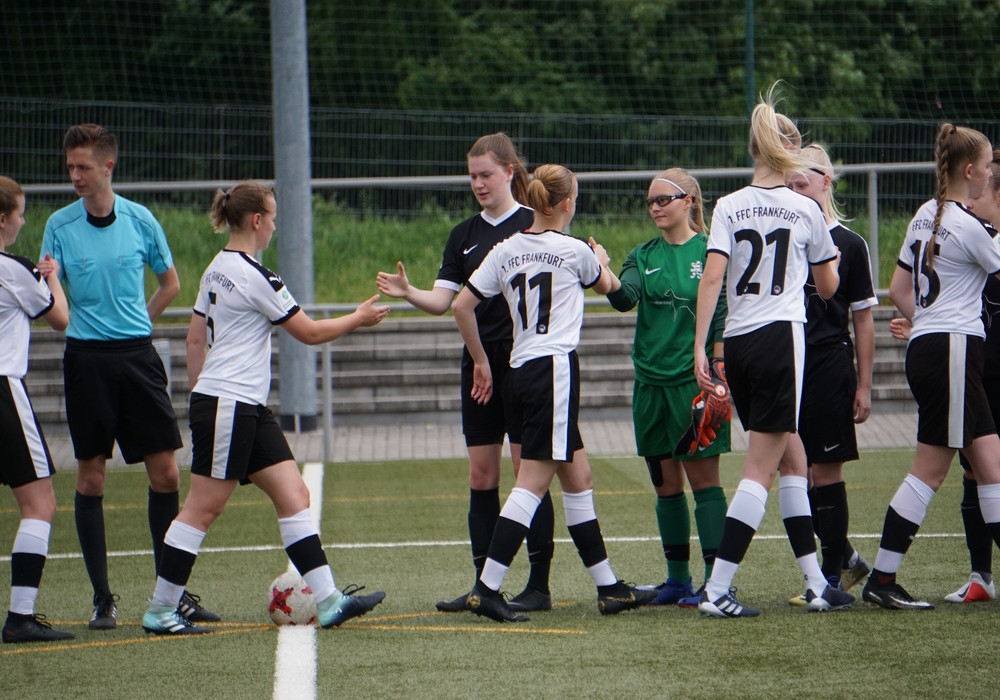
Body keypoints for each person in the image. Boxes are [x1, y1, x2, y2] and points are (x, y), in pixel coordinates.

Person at [142, 181, 389, 634]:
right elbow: (309, 333)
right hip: (229, 403)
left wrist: (201, 396)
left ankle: (329, 601)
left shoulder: (215, 267)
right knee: (202, 508)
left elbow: (194, 340)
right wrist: (358, 317)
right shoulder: (257, 276)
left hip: (239, 405)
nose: (275, 226)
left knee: (294, 495)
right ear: (257, 220)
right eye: (272, 217)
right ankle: (160, 610)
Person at [452, 163, 656, 623]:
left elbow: (462, 306)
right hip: (554, 371)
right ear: (566, 203)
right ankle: (487, 588)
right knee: (531, 484)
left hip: (519, 370)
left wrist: (481, 359)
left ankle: (609, 588)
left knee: (579, 478)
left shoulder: (505, 249)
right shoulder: (574, 249)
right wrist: (602, 260)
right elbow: (613, 290)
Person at [40, 123, 217, 629]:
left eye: (83, 166)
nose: (75, 175)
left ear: (108, 166)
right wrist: (67, 310)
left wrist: (138, 320)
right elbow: (55, 302)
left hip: (138, 358)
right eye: (70, 167)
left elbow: (170, 283)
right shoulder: (58, 226)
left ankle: (171, 595)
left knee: (166, 474)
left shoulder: (141, 220)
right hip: (86, 363)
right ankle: (103, 599)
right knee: (91, 478)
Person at [376, 133, 555, 614]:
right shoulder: (463, 235)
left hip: (524, 363)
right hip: (478, 364)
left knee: (527, 474)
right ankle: (482, 584)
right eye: (472, 176)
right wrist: (409, 292)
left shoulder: (534, 223)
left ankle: (538, 587)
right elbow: (444, 301)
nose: (478, 183)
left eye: (486, 174)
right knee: (481, 474)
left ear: (510, 173)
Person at [692, 85, 854, 618]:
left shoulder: (728, 204)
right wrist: (824, 264)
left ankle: (815, 582)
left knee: (793, 459)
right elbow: (828, 288)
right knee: (759, 468)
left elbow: (712, 278)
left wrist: (701, 346)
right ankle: (717, 589)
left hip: (739, 341)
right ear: (788, 150)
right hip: (781, 339)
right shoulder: (804, 207)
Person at [603, 168, 730, 608]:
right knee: (665, 487)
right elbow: (624, 298)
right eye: (650, 202)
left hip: (693, 384)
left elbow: (723, 313)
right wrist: (602, 272)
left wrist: (719, 367)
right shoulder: (641, 254)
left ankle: (717, 582)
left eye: (663, 199)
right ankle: (677, 581)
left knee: (705, 484)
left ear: (689, 201)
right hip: (649, 385)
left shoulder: (710, 251)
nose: (655, 207)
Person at [881, 144, 1000, 608]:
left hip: (939, 347)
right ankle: (883, 580)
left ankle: (886, 580)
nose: (990, 174)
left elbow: (900, 288)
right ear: (969, 170)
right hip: (952, 350)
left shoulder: (925, 213)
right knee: (929, 472)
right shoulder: (968, 225)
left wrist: (926, 323)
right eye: (987, 166)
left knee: (990, 466)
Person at [785, 144, 878, 605]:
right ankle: (846, 559)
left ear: (826, 182)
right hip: (788, 362)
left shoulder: (850, 244)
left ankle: (830, 576)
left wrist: (864, 385)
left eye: (802, 183)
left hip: (829, 364)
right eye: (789, 185)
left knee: (824, 472)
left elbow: (863, 319)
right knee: (795, 473)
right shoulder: (784, 238)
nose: (795, 192)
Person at [0, 177, 74, 643]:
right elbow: (60, 318)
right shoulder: (14, 268)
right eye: (19, 214)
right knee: (40, 504)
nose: (23, 222)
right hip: (4, 388)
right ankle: (20, 617)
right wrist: (51, 277)